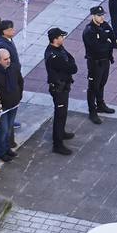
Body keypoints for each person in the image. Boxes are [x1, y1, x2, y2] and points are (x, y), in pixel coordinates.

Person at [44, 26, 77, 156]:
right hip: (59, 88)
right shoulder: (53, 55)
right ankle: (57, 144)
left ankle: (61, 133)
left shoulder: (58, 49)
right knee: (60, 115)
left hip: (64, 86)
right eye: (61, 37)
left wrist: (70, 63)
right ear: (55, 39)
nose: (63, 38)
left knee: (63, 113)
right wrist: (70, 64)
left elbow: (71, 59)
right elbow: (72, 67)